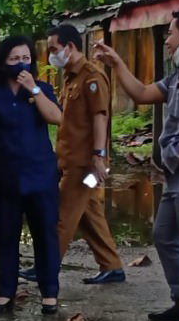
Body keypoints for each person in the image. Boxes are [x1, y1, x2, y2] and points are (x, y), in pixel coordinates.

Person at [93, 9, 179, 321]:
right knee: (165, 234)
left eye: (169, 34)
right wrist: (117, 63)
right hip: (177, 170)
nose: (166, 41)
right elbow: (141, 94)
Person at [0, 35, 62, 315]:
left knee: (45, 234)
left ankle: (49, 293)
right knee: (6, 236)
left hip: (41, 175)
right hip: (4, 176)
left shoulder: (41, 89)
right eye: (15, 59)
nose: (21, 64)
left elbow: (56, 117)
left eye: (26, 58)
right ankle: (5, 292)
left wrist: (35, 91)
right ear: (3, 62)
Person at [42, 23, 126, 284]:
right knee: (89, 215)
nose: (50, 55)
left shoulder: (92, 76)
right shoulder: (70, 76)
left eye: (54, 49)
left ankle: (47, 265)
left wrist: (99, 157)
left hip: (85, 164)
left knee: (62, 217)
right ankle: (112, 266)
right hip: (71, 161)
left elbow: (100, 117)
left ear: (69, 47)